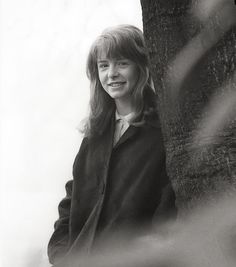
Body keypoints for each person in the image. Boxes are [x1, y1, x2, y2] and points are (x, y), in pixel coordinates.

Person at [48, 24, 177, 266]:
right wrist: (61, 253)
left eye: (122, 63)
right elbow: (71, 199)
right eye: (104, 65)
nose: (112, 73)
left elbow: (167, 212)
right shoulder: (95, 136)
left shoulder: (164, 133)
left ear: (142, 66)